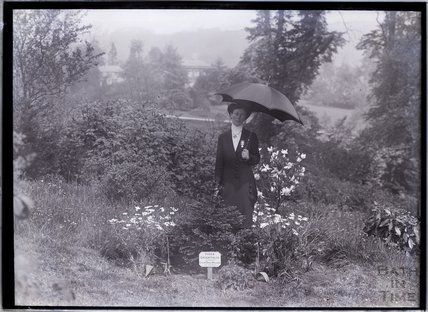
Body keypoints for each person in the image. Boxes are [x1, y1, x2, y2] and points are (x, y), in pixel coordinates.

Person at [215, 102, 260, 227]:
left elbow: (257, 159)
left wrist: (249, 157)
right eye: (236, 113)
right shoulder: (223, 137)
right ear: (231, 114)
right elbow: (219, 162)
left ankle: (244, 243)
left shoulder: (251, 136)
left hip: (245, 183)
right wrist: (217, 184)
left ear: (245, 118)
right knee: (225, 215)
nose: (239, 117)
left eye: (242, 115)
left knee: (244, 216)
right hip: (227, 182)